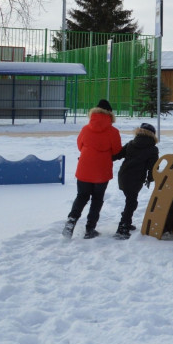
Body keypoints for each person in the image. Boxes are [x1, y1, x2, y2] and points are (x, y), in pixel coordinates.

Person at [64, 99, 122, 239]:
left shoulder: (85, 129)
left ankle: (71, 222)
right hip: (101, 171)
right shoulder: (113, 132)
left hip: (84, 169)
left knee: (81, 196)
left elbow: (80, 146)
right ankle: (90, 229)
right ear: (110, 114)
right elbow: (117, 151)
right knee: (97, 199)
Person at [111, 122, 160, 239]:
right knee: (131, 203)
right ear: (152, 135)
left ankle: (126, 221)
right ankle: (123, 228)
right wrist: (150, 178)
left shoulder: (131, 144)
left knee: (130, 200)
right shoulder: (152, 149)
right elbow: (153, 167)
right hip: (136, 179)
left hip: (123, 176)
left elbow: (116, 155)